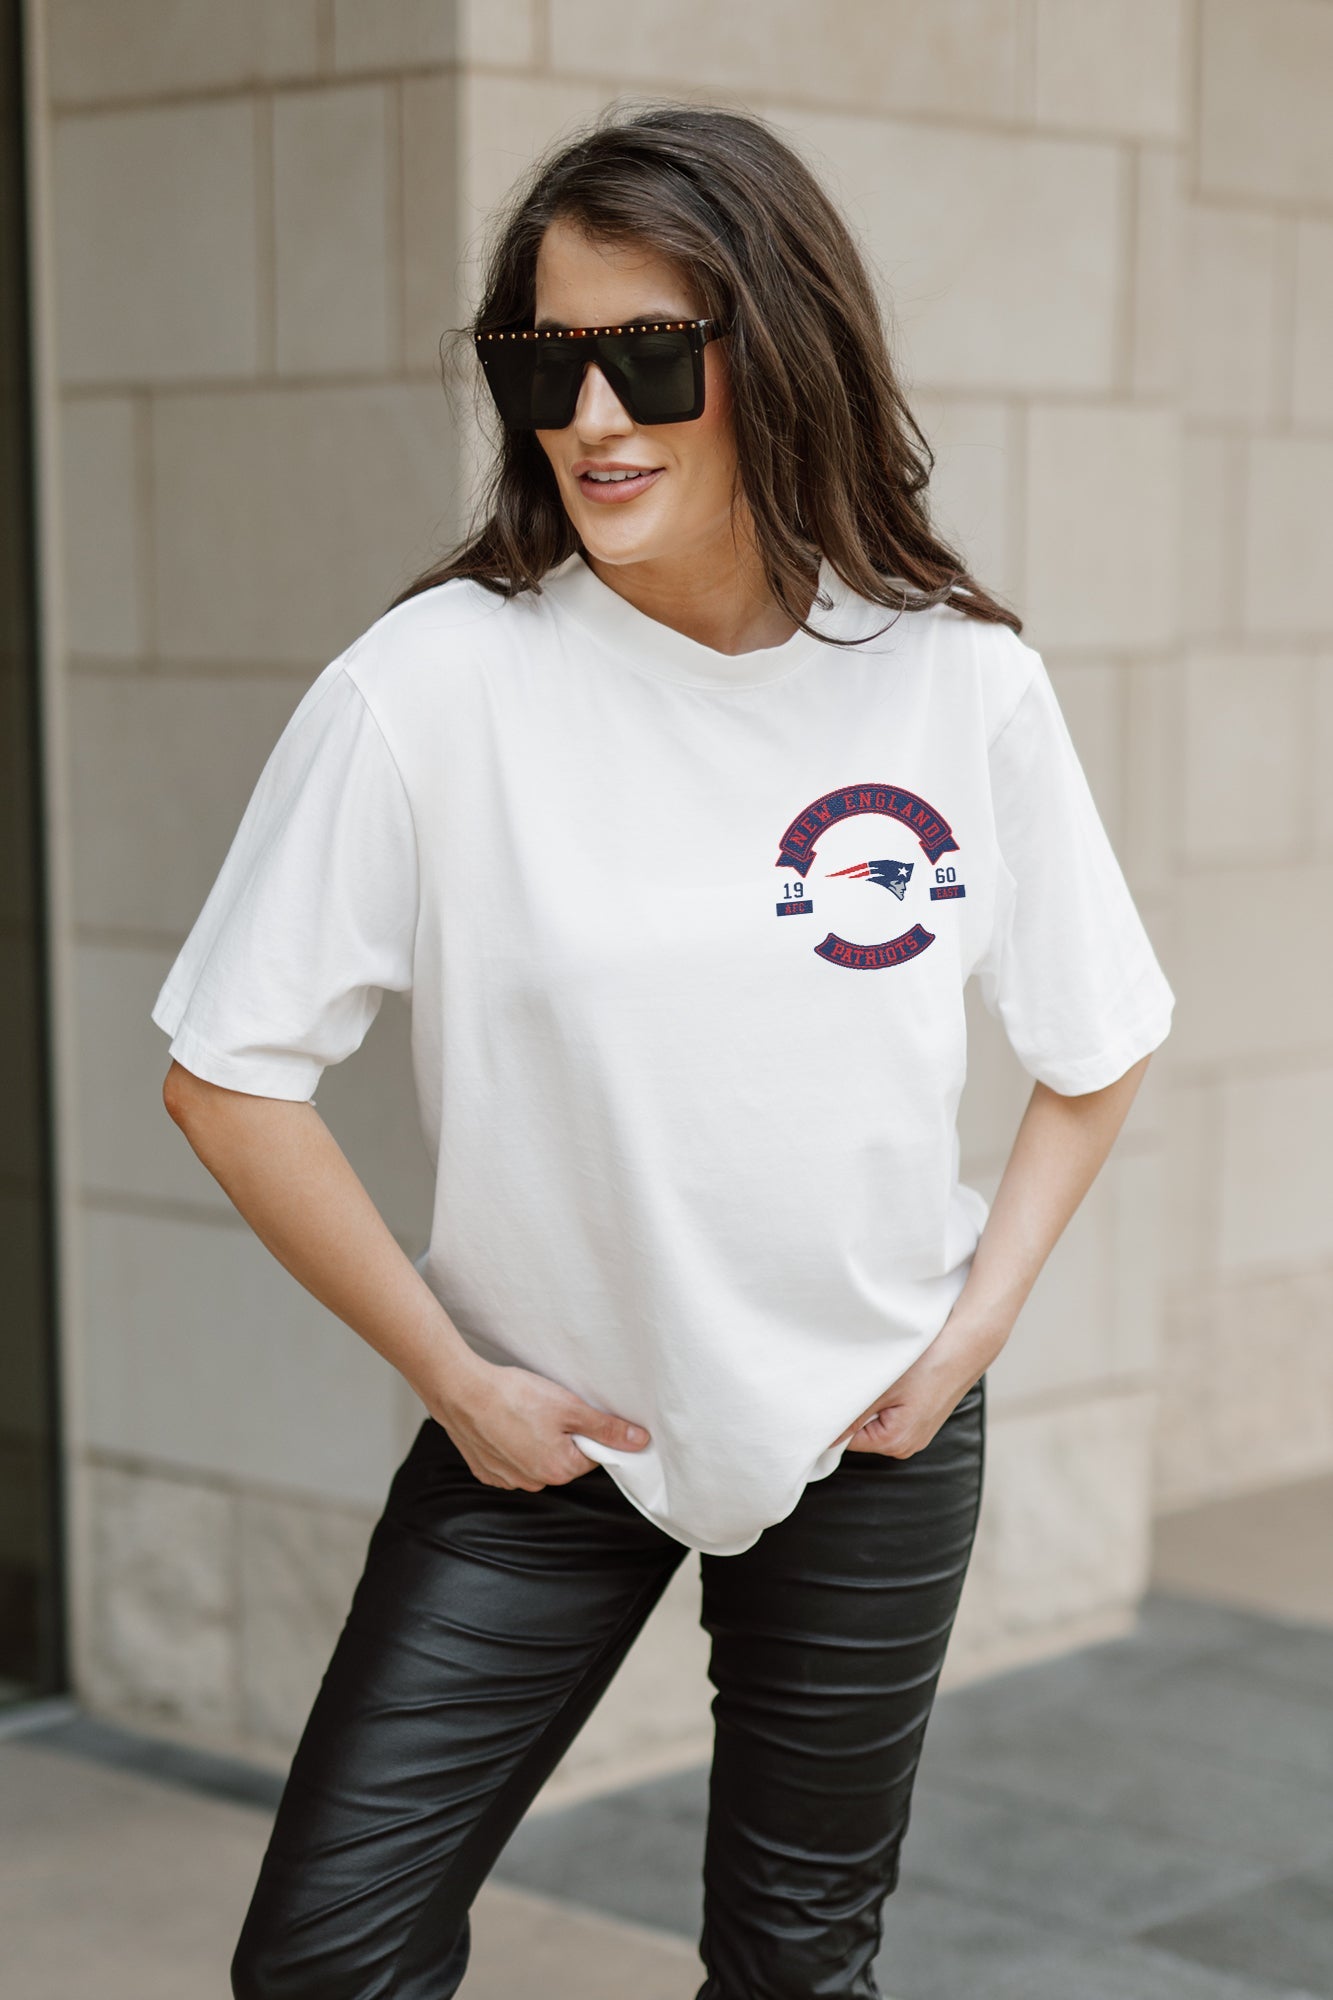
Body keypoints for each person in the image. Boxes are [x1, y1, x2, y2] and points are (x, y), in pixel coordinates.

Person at [154, 100, 1175, 2000]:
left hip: (871, 1432)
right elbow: (226, 1076)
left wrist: (971, 1331)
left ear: (777, 352)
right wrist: (454, 1377)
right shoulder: (433, 685)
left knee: (796, 1971)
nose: (594, 419)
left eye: (648, 355)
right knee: (325, 1962)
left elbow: (1096, 1041)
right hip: (537, 1443)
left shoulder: (956, 683)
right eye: (545, 365)